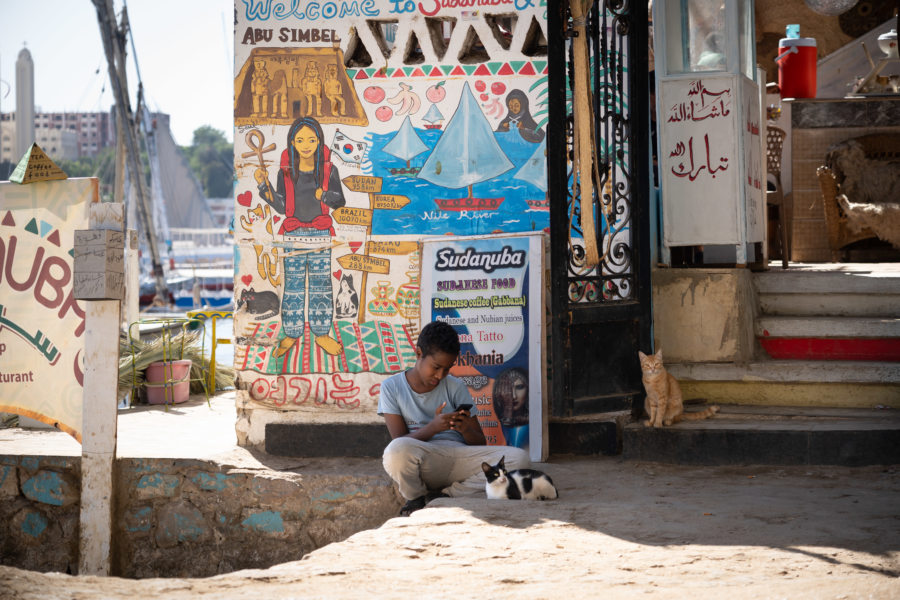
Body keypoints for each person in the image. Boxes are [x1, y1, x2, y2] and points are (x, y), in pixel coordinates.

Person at [379, 321, 531, 516]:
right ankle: (415, 497)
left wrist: (465, 429)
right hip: (425, 461)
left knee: (520, 458)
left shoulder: (455, 386)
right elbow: (399, 440)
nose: (440, 375)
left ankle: (446, 495)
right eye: (436, 367)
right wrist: (433, 428)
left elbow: (480, 442)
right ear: (418, 354)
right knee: (395, 452)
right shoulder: (391, 387)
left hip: (460, 458)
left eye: (447, 369)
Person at [255, 116, 344, 357]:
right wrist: (265, 188)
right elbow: (282, 207)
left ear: (319, 141)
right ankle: (292, 334)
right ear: (292, 142)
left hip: (320, 232)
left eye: (312, 139)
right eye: (300, 139)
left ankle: (322, 333)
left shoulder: (328, 169)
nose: (306, 144)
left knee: (321, 285)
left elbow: (339, 200)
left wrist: (324, 195)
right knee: (292, 286)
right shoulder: (286, 172)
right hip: (293, 233)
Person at [492, 367, 529, 448]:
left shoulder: (532, 426)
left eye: (519, 387)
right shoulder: (499, 423)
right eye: (506, 389)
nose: (513, 396)